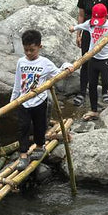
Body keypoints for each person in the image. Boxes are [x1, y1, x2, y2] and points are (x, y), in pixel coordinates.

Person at [13, 29, 71, 167]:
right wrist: (13, 99)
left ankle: (39, 146)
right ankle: (23, 153)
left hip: (39, 101)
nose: (28, 53)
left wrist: (67, 66)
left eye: (31, 50)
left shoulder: (45, 63)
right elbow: (17, 82)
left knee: (40, 125)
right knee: (23, 127)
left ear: (40, 47)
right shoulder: (21, 62)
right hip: (24, 101)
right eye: (26, 50)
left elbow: (58, 73)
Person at [68, 3, 108, 119]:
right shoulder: (90, 23)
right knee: (92, 84)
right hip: (93, 57)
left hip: (106, 58)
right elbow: (79, 26)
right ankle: (94, 110)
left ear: (106, 16)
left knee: (107, 82)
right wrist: (73, 29)